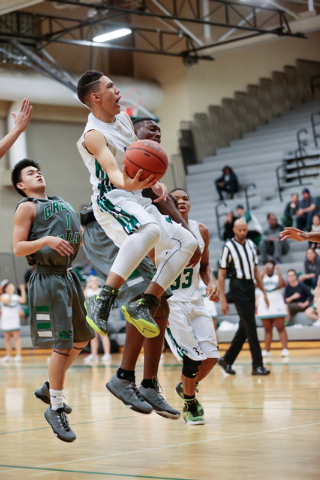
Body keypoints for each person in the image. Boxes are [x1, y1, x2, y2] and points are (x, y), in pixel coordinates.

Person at [76, 70, 198, 343]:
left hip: (136, 198)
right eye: (111, 86)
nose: (117, 90)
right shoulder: (93, 135)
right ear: (96, 97)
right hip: (112, 199)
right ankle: (102, 299)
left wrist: (151, 184)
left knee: (187, 242)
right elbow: (116, 175)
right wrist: (138, 182)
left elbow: (134, 157)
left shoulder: (123, 117)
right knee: (151, 230)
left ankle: (145, 301)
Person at [81, 117, 186, 418]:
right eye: (149, 130)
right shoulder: (117, 150)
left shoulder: (150, 172)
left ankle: (150, 383)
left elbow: (161, 203)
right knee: (140, 298)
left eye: (159, 130)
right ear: (132, 135)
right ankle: (122, 377)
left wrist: (187, 234)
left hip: (128, 231)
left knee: (158, 302)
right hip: (104, 232)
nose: (155, 135)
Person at [12, 159, 95, 443]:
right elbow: (18, 247)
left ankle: (50, 387)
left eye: (38, 170)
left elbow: (76, 235)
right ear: (21, 185)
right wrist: (45, 240)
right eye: (29, 173)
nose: (37, 173)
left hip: (68, 276)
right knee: (62, 344)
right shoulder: (26, 207)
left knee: (82, 339)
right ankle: (56, 408)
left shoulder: (61, 202)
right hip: (47, 279)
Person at [154, 188, 220, 425]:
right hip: (172, 303)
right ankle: (190, 403)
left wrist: (212, 283)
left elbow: (204, 267)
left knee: (211, 357)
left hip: (196, 301)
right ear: (167, 205)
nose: (181, 202)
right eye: (175, 199)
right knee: (191, 357)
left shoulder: (201, 230)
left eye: (185, 199)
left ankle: (186, 387)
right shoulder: (159, 231)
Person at [218, 219, 270, 376]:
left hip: (250, 286)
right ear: (234, 230)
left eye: (245, 230)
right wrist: (224, 300)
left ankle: (227, 359)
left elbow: (255, 269)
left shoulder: (251, 245)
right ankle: (257, 365)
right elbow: (221, 273)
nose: (242, 233)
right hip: (237, 286)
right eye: (239, 230)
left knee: (244, 327)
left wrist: (264, 292)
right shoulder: (228, 246)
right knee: (251, 324)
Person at [256, 262, 289, 358]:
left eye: (271, 267)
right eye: (267, 266)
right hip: (265, 305)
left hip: (277, 304)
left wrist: (278, 271)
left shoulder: (277, 277)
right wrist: (263, 272)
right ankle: (267, 350)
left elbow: (282, 284)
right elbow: (258, 285)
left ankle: (285, 349)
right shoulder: (262, 277)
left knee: (281, 328)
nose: (269, 268)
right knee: (267, 329)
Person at [84, 276, 111, 363]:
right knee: (93, 336)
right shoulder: (88, 291)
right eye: (92, 281)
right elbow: (83, 298)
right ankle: (93, 354)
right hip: (90, 315)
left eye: (96, 281)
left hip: (100, 315)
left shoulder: (101, 290)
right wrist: (88, 286)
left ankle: (107, 354)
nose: (94, 282)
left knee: (103, 335)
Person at [0, 280, 26, 363]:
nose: (9, 288)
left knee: (16, 338)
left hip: (14, 319)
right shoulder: (2, 296)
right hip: (6, 320)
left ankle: (18, 355)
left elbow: (23, 300)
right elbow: (7, 301)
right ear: (5, 289)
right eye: (7, 287)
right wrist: (10, 293)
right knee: (7, 338)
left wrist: (22, 290)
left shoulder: (15, 296)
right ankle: (9, 355)